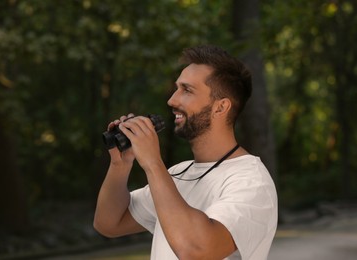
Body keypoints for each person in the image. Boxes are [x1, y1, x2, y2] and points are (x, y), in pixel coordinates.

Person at [93, 45, 278, 260]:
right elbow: (109, 223)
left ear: (221, 107)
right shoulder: (177, 174)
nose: (172, 100)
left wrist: (153, 163)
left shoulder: (251, 181)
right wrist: (121, 165)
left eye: (187, 90)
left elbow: (196, 250)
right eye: (176, 88)